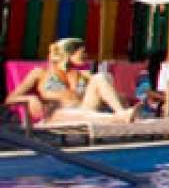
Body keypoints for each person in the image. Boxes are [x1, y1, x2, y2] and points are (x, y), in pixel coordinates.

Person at [5, 38, 138, 124]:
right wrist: (30, 98)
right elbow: (10, 99)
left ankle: (121, 113)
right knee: (83, 115)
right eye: (81, 53)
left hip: (84, 108)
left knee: (100, 77)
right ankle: (119, 118)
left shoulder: (83, 74)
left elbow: (109, 93)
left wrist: (122, 98)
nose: (85, 56)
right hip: (56, 113)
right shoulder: (40, 73)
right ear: (67, 54)